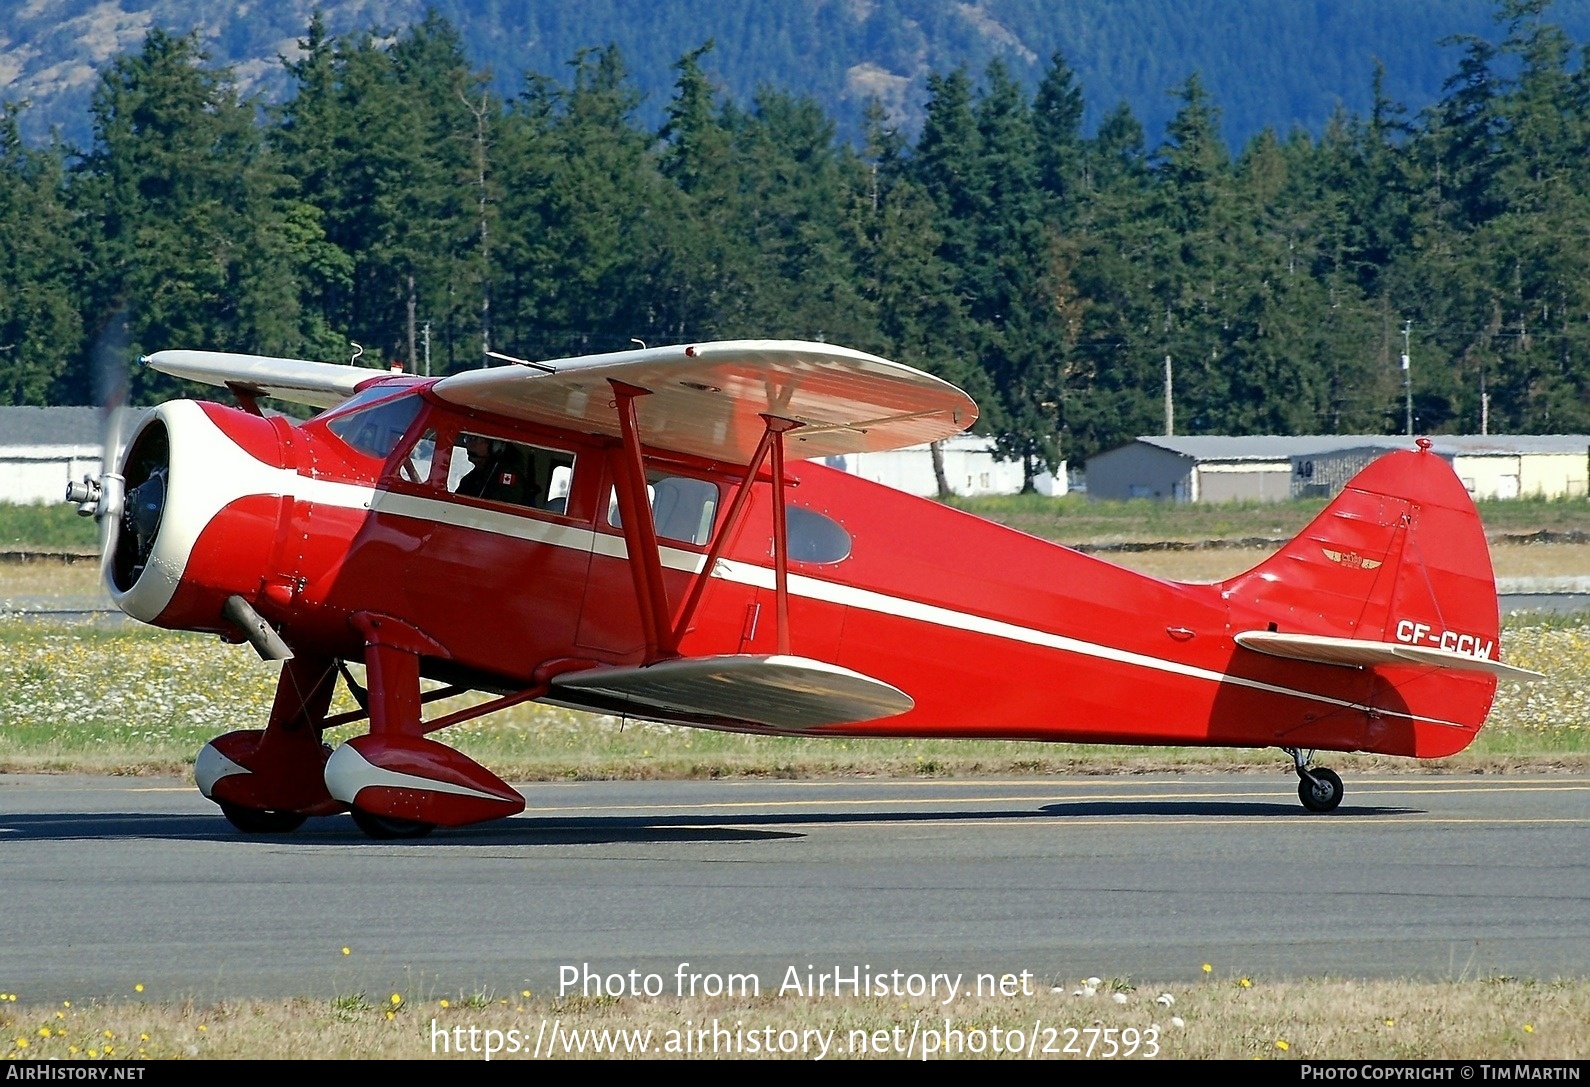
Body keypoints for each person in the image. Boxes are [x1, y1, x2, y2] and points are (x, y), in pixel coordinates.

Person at [455, 435, 532, 505]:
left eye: (477, 439)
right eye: (468, 438)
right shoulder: (471, 478)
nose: (470, 444)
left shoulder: (508, 477)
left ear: (496, 446)